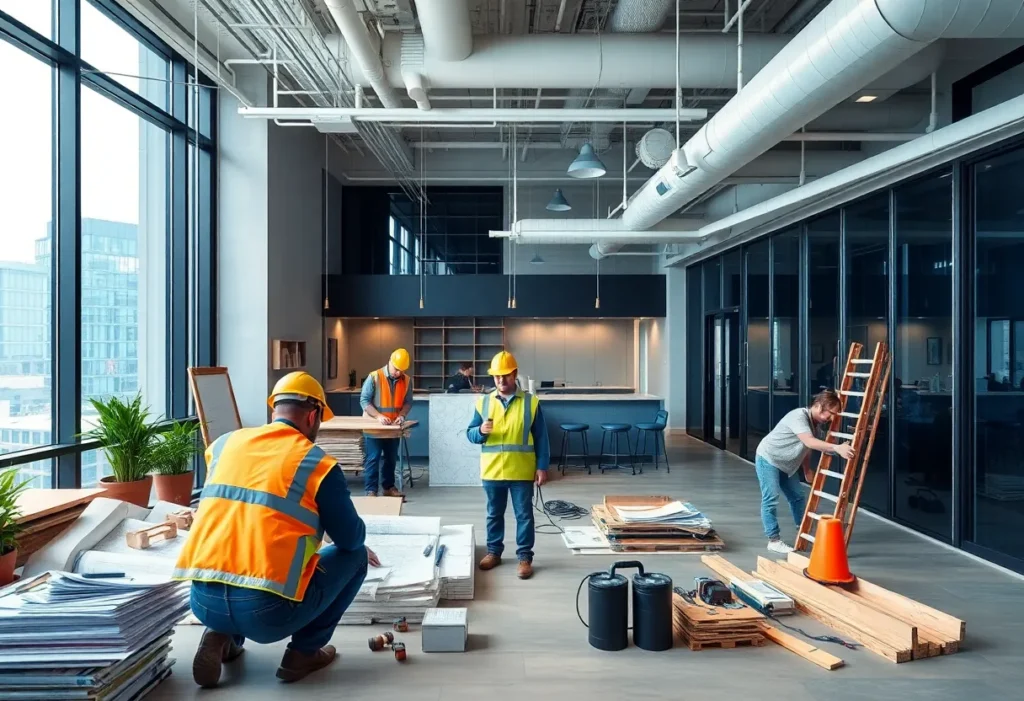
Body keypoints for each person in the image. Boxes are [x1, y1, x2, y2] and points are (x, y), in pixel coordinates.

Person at [173, 372, 380, 687]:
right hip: (266, 614)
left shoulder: (224, 444)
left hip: (201, 600)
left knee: (241, 556)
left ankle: (221, 634)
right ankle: (303, 653)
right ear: (313, 416)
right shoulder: (316, 463)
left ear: (274, 410)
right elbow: (351, 539)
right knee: (356, 558)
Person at [465, 351, 550, 580]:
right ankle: (494, 552)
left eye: (505, 376)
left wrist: (542, 466)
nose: (501, 381)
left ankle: (524, 557)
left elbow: (541, 437)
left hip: (521, 470)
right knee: (494, 514)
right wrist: (480, 432)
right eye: (497, 377)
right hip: (492, 470)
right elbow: (470, 434)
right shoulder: (483, 402)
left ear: (514, 374)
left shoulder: (530, 403)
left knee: (524, 515)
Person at [754, 389, 854, 554]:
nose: (831, 418)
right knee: (771, 497)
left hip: (788, 464)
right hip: (769, 459)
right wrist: (836, 447)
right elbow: (809, 441)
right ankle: (773, 540)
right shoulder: (798, 416)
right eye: (830, 414)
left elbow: (806, 448)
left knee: (798, 497)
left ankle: (803, 530)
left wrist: (807, 470)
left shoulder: (817, 425)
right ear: (818, 406)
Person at [360, 348, 412, 498]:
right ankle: (371, 490)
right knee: (373, 458)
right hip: (375, 426)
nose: (398, 373)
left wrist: (402, 415)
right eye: (396, 369)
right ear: (390, 362)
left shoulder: (407, 380)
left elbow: (408, 402)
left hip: (393, 427)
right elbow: (364, 400)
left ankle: (388, 487)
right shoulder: (374, 377)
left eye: (401, 370)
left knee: (390, 458)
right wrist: (378, 416)